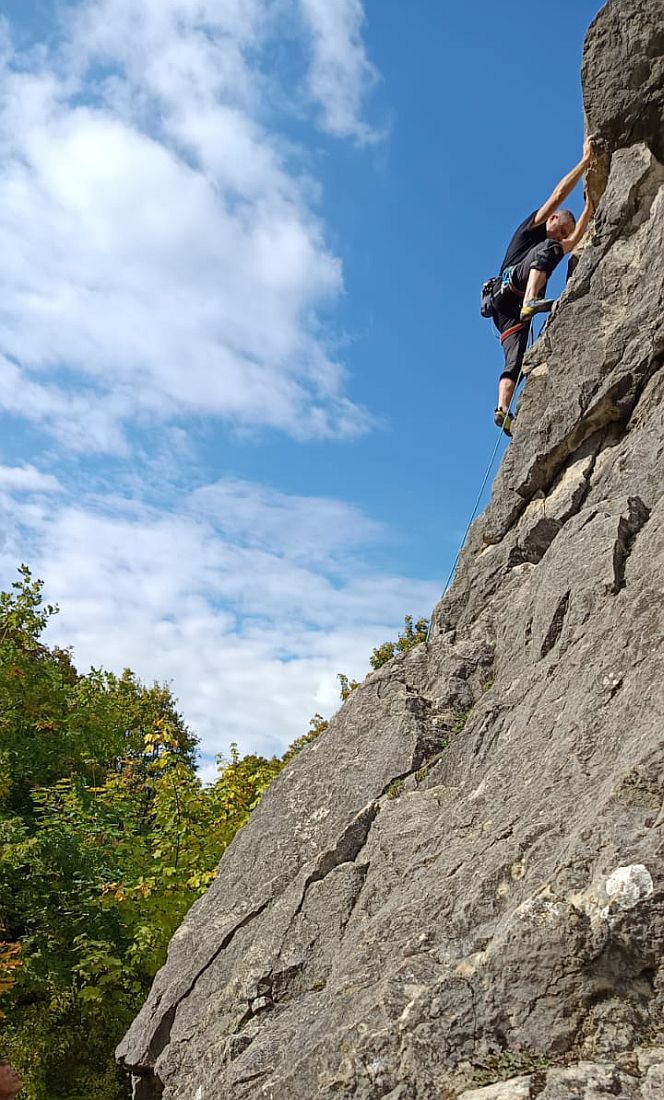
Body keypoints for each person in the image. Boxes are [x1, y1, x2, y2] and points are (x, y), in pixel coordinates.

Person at [492, 136, 596, 436]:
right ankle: (531, 301)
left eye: (564, 232)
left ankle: (503, 411)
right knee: (548, 250)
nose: (560, 236)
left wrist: (589, 209)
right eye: (559, 228)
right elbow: (558, 195)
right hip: (514, 288)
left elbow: (574, 242)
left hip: (506, 315)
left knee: (515, 360)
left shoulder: (554, 240)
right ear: (551, 220)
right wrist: (585, 162)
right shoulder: (533, 229)